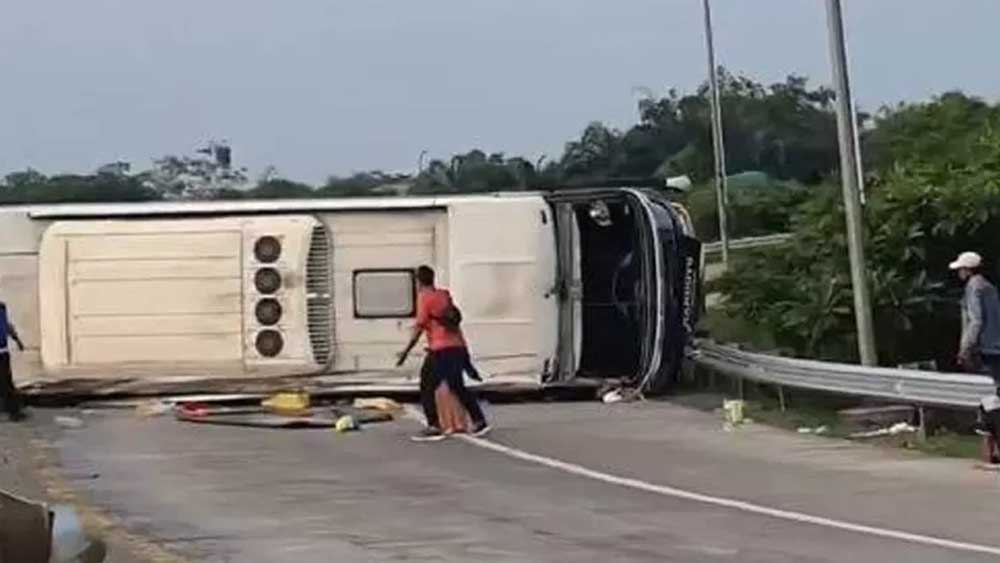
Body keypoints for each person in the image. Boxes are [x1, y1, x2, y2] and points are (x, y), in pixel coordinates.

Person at [397, 265, 491, 441]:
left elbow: (420, 326)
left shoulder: (424, 298)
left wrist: (405, 352)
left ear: (418, 281)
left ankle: (434, 426)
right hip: (456, 346)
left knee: (426, 387)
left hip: (440, 350)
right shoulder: (444, 295)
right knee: (457, 386)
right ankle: (479, 421)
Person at [950, 251, 1000, 464]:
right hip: (997, 347)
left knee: (989, 400)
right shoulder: (989, 287)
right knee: (993, 396)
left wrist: (965, 348)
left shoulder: (973, 288)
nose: (959, 273)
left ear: (968, 270)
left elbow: (976, 321)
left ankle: (992, 449)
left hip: (986, 350)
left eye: (961, 269)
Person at [0, 299, 26, 422]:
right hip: (3, 352)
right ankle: (11, 410)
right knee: (6, 382)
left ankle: (12, 410)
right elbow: (8, 327)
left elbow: (7, 326)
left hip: (3, 352)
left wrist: (18, 341)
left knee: (6, 382)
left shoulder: (2, 308)